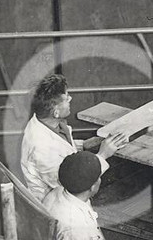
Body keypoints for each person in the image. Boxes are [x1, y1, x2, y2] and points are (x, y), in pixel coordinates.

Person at [20, 73, 127, 203]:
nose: (70, 99)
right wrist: (102, 155)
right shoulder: (41, 148)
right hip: (56, 202)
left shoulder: (46, 122)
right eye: (66, 98)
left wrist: (84, 144)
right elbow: (73, 183)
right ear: (55, 111)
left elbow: (60, 147)